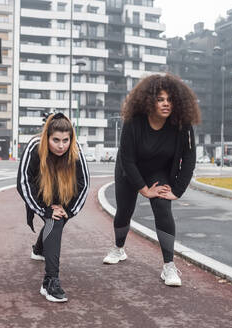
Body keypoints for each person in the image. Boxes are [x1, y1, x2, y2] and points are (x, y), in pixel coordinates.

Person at [102, 74, 200, 287]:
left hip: (159, 171)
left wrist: (177, 190)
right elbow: (127, 159)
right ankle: (119, 248)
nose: (166, 104)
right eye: (160, 99)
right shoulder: (133, 122)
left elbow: (190, 157)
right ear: (149, 101)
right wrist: (144, 190)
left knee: (163, 207)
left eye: (170, 99)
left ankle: (169, 266)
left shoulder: (182, 125)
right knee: (124, 211)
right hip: (130, 170)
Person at [17, 112, 89, 302]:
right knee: (54, 221)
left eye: (65, 140)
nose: (61, 145)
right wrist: (44, 209)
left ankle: (39, 249)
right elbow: (23, 183)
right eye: (55, 140)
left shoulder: (75, 150)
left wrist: (70, 210)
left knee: (56, 221)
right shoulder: (34, 147)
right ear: (46, 137)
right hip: (42, 195)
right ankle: (50, 281)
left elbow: (84, 184)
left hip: (65, 196)